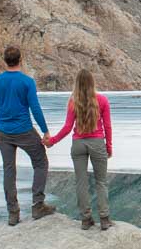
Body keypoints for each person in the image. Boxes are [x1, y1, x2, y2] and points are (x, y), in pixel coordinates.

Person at [0, 46, 55, 225]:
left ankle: (13, 213)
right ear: (20, 60)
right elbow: (35, 108)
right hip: (24, 129)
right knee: (40, 162)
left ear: (4, 60)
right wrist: (45, 131)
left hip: (3, 133)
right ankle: (38, 205)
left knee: (9, 169)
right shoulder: (27, 82)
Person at [45, 69, 113, 230]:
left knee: (81, 182)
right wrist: (108, 145)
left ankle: (85, 219)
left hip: (78, 144)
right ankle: (104, 219)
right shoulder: (102, 100)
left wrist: (52, 141)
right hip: (97, 143)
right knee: (101, 182)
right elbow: (108, 126)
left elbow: (68, 127)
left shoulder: (73, 101)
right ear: (92, 82)